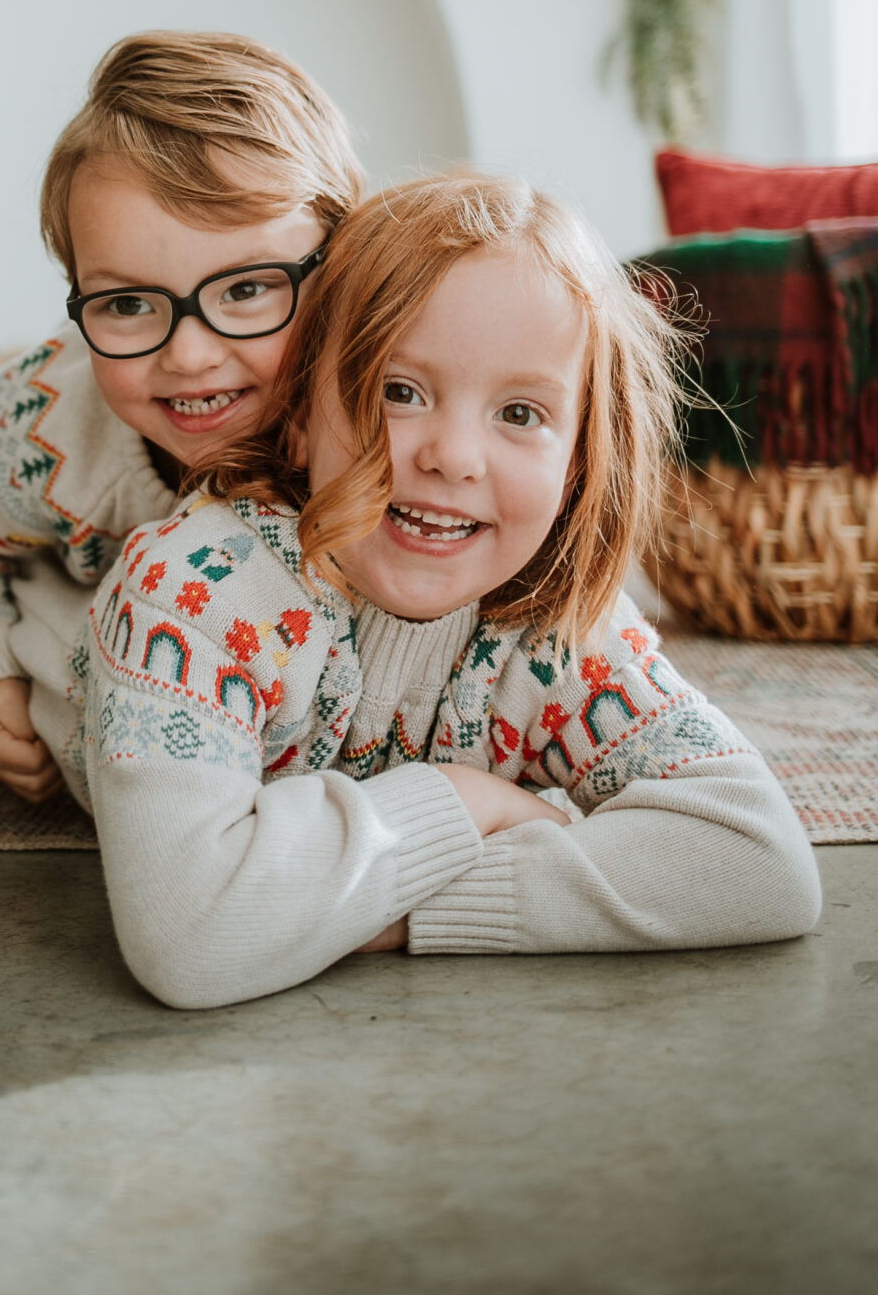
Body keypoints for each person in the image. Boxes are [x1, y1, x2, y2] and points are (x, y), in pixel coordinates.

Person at [58, 171, 821, 1008]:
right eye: (398, 392)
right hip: (55, 662)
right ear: (300, 417)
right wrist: (466, 800)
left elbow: (760, 861)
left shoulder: (558, 627)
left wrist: (372, 910)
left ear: (578, 461)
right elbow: (191, 939)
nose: (453, 456)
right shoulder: (190, 593)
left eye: (520, 414)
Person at [0, 30, 363, 801]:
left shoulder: (388, 403)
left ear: (340, 260)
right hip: (42, 572)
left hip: (198, 622)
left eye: (248, 289)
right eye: (126, 303)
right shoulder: (46, 421)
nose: (190, 356)